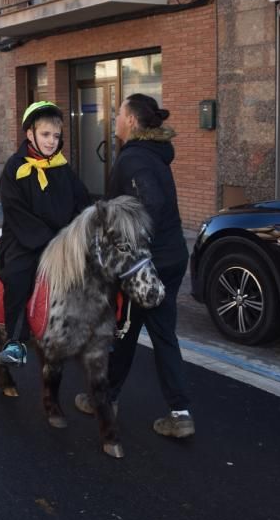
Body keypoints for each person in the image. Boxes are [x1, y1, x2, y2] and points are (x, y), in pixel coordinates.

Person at [76, 93, 194, 438]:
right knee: (162, 334)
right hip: (172, 259)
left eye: (117, 116)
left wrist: (129, 243)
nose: (114, 122)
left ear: (130, 120)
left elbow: (151, 204)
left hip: (144, 267)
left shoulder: (134, 159)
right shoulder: (155, 155)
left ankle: (106, 400)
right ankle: (180, 413)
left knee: (124, 332)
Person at [0, 101, 90, 366]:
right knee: (18, 276)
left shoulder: (62, 167)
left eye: (56, 136)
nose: (51, 141)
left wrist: (83, 228)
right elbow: (16, 213)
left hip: (62, 240)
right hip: (25, 240)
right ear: (30, 134)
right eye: (46, 135)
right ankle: (15, 341)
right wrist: (49, 241)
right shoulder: (15, 169)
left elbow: (81, 203)